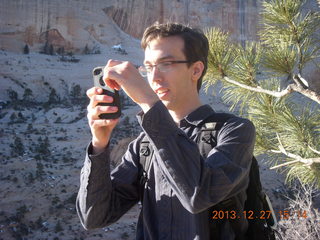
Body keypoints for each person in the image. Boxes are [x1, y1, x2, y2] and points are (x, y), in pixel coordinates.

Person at [76, 22, 255, 240]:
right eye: (149, 68)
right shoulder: (144, 146)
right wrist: (99, 143)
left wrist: (149, 104)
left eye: (166, 64)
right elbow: (94, 217)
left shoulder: (234, 130)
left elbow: (198, 195)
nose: (154, 78)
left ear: (196, 69)